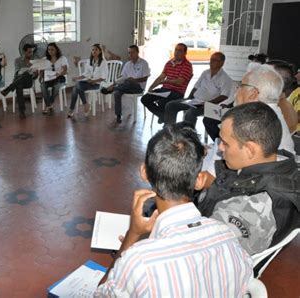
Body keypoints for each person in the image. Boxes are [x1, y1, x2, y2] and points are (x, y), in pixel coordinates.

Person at [95, 123, 253, 296]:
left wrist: (132, 234)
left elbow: (100, 293)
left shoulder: (138, 262)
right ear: (199, 180)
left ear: (144, 172)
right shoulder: (229, 237)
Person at [197, 102, 300, 255]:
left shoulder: (250, 209)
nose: (220, 148)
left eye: (225, 143)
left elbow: (200, 254)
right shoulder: (284, 164)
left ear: (250, 150)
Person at [164, 52, 232, 126]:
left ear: (221, 63)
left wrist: (210, 103)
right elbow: (196, 86)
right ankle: (169, 129)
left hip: (208, 104)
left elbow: (224, 95)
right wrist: (189, 98)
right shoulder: (205, 73)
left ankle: (188, 135)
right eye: (211, 59)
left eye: (215, 60)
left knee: (190, 113)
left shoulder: (225, 78)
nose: (211, 62)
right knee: (170, 105)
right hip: (194, 100)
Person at [141, 43, 193, 124]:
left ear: (185, 53)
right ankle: (162, 116)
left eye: (180, 50)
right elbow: (161, 77)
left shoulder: (187, 65)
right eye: (176, 50)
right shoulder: (169, 63)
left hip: (176, 92)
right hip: (164, 90)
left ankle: (166, 121)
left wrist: (166, 81)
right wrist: (151, 86)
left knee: (163, 103)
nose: (177, 52)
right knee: (145, 98)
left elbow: (179, 81)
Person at [101, 45, 150, 124]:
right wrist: (114, 83)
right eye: (129, 53)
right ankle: (118, 115)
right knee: (118, 92)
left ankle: (113, 88)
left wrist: (135, 80)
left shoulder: (144, 63)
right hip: (126, 86)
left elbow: (145, 78)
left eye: (132, 52)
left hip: (138, 87)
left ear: (137, 52)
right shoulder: (128, 64)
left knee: (129, 82)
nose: (130, 55)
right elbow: (123, 77)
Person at [68, 43, 108, 118]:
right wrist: (77, 78)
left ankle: (72, 109)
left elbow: (104, 77)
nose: (94, 51)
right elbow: (85, 74)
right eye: (92, 50)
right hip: (88, 82)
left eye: (96, 50)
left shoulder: (103, 62)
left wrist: (94, 81)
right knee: (77, 85)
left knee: (76, 87)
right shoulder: (90, 61)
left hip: (97, 84)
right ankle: (85, 105)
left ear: (100, 51)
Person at [0, 44, 38, 119]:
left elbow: (35, 77)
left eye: (32, 52)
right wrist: (26, 69)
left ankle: (9, 89)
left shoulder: (35, 61)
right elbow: (17, 73)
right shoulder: (17, 60)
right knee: (19, 85)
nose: (31, 54)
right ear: (24, 52)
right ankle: (22, 111)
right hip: (18, 80)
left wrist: (36, 74)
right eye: (29, 52)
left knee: (26, 74)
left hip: (28, 82)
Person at [39, 42, 68, 115]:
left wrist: (58, 74)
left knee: (56, 86)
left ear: (56, 50)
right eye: (49, 50)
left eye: (52, 49)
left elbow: (65, 70)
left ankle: (49, 104)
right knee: (42, 85)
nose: (50, 51)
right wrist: (40, 76)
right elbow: (41, 70)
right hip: (48, 79)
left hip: (59, 78)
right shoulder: (45, 59)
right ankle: (49, 106)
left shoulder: (62, 58)